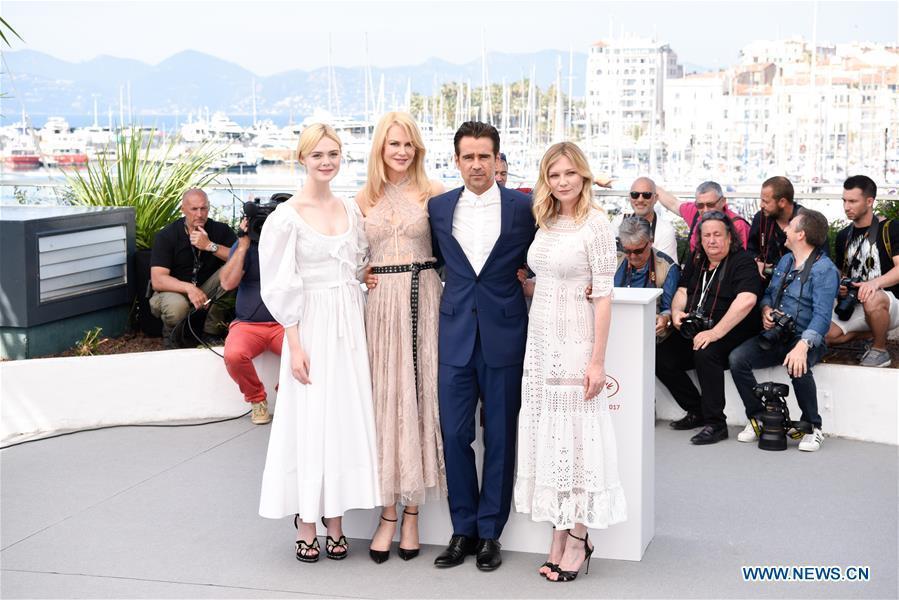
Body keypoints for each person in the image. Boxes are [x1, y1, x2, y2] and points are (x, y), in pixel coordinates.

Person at [257, 124, 380, 563]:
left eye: (333, 154)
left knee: (342, 417)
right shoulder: (286, 216)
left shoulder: (350, 207)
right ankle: (306, 520)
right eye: (318, 155)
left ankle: (336, 519)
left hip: (349, 318)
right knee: (309, 419)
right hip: (309, 323)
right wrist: (294, 341)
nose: (326, 162)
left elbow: (359, 264)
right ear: (302, 159)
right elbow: (278, 283)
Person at [514, 142, 626, 583]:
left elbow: (603, 295)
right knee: (551, 440)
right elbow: (552, 280)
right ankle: (559, 533)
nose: (562, 182)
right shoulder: (546, 221)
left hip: (577, 343)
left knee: (578, 441)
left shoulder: (597, 225)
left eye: (569, 174)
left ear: (583, 176)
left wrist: (597, 361)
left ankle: (579, 537)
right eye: (554, 175)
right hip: (540, 342)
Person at [429, 121, 535, 572]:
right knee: (454, 434)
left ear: (497, 160)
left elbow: (543, 255)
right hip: (454, 336)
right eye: (467, 157)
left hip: (505, 334)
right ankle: (463, 528)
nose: (476, 164)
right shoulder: (437, 209)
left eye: (484, 156)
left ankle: (490, 531)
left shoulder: (523, 208)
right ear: (456, 161)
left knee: (500, 437)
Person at [355, 112, 447, 563]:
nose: (402, 151)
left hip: (422, 297)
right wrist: (360, 275)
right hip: (379, 308)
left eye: (408, 144)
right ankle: (387, 512)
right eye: (394, 144)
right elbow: (346, 257)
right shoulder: (362, 197)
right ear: (380, 147)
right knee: (385, 401)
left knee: (419, 394)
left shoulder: (434, 194)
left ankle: (412, 513)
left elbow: (460, 250)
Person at [729, 208, 839, 452]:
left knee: (797, 364)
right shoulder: (787, 260)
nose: (785, 229)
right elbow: (768, 294)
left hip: (805, 337)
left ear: (801, 235)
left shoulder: (825, 270)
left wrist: (803, 346)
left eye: (791, 226)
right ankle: (758, 417)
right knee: (737, 359)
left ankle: (813, 426)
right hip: (777, 333)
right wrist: (766, 311)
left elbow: (822, 318)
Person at [656, 211, 761, 445]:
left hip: (732, 330)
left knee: (706, 352)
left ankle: (716, 424)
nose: (711, 241)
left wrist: (715, 333)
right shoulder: (697, 259)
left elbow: (747, 301)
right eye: (706, 236)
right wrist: (675, 313)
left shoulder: (742, 261)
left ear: (730, 238)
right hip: (699, 326)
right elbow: (682, 291)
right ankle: (697, 409)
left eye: (717, 235)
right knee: (661, 356)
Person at [825, 175, 899, 367]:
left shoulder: (891, 228)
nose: (846, 206)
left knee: (872, 297)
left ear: (869, 201)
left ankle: (880, 349)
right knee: (825, 335)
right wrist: (842, 286)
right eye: (844, 201)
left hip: (890, 301)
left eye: (853, 201)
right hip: (857, 303)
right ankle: (874, 333)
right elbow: (844, 274)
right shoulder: (844, 236)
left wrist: (874, 283)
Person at [219, 212, 284, 425]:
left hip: (284, 324)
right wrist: (243, 244)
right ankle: (257, 400)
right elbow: (227, 283)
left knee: (307, 352)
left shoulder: (288, 243)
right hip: (248, 325)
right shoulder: (244, 246)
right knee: (234, 355)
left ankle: (286, 396)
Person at [149, 188, 237, 346]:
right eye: (194, 209)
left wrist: (210, 246)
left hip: (206, 289)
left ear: (209, 208)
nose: (199, 214)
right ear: (183, 209)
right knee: (177, 306)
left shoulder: (220, 230)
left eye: (203, 208)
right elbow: (158, 280)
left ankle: (211, 332)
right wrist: (190, 288)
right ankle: (173, 335)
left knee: (233, 270)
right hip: (173, 291)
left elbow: (240, 259)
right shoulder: (167, 235)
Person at [614, 216, 680, 342]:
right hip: (614, 328)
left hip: (648, 334)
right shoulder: (612, 260)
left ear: (650, 241)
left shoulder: (667, 267)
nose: (632, 257)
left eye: (638, 251)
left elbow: (668, 308)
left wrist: (664, 319)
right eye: (626, 250)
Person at [656, 181, 750, 263]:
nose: (705, 210)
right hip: (698, 272)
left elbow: (743, 260)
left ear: (723, 202)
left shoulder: (737, 225)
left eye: (710, 204)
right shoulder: (696, 212)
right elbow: (673, 203)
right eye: (700, 205)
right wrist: (650, 186)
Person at [747, 176, 805, 281]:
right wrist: (756, 262)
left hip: (796, 284)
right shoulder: (760, 219)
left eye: (766, 201)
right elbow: (750, 250)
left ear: (782, 202)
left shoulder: (806, 221)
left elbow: (819, 259)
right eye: (761, 200)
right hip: (765, 281)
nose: (761, 205)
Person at [611, 177, 677, 260]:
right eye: (635, 194)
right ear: (629, 197)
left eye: (646, 195)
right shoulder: (618, 222)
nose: (640, 199)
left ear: (655, 198)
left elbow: (667, 267)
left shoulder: (665, 230)